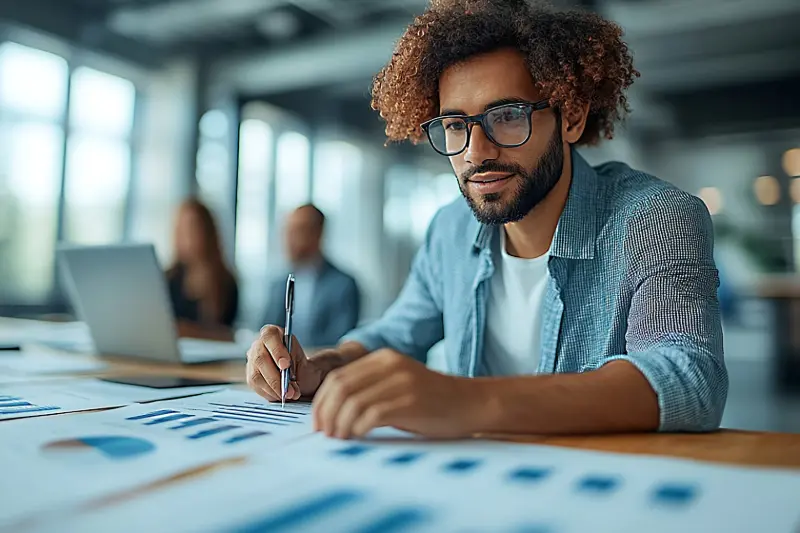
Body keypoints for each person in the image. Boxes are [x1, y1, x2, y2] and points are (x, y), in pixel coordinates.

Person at [246, 0, 728, 439]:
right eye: (456, 126)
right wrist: (318, 367)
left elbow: (688, 376)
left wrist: (466, 402)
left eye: (508, 116)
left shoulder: (655, 218)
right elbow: (394, 335)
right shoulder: (450, 229)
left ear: (572, 117)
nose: (477, 152)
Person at [262, 204, 360, 348]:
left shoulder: (343, 285)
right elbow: (265, 332)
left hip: (322, 365)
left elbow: (339, 342)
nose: (289, 240)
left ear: (318, 233)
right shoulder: (279, 283)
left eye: (298, 231)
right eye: (287, 231)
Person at [166, 198, 239, 341]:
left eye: (192, 228)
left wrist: (188, 331)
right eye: (181, 229)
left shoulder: (226, 282)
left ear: (207, 231)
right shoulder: (168, 278)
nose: (186, 236)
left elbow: (229, 334)